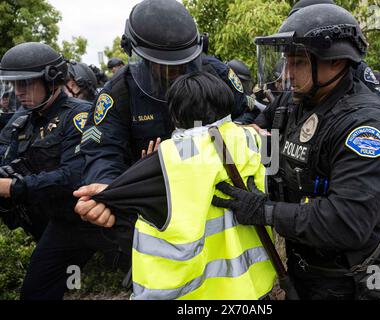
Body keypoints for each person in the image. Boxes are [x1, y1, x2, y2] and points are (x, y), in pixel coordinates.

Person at [214, 4, 380, 300]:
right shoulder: (293, 101)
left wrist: (264, 211)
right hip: (303, 265)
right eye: (286, 62)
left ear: (335, 62)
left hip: (350, 279)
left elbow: (347, 223)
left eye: (297, 62)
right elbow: (259, 129)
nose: (287, 73)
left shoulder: (365, 128)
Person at [74, 71, 277, 300]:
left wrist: (111, 188)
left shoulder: (169, 158)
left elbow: (109, 194)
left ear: (175, 114)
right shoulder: (256, 139)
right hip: (255, 287)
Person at [76, 0, 255, 245]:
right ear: (136, 53)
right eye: (164, 63)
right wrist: (108, 189)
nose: (174, 70)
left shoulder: (217, 73)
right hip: (152, 205)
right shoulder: (118, 92)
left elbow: (247, 116)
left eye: (182, 61)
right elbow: (102, 150)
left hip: (216, 196)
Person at [0, 42, 123, 300]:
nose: (18, 92)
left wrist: (13, 188)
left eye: (25, 84)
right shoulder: (24, 119)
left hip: (97, 217)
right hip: (63, 224)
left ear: (52, 80)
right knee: (36, 290)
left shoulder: (81, 116)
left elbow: (75, 176)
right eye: (15, 85)